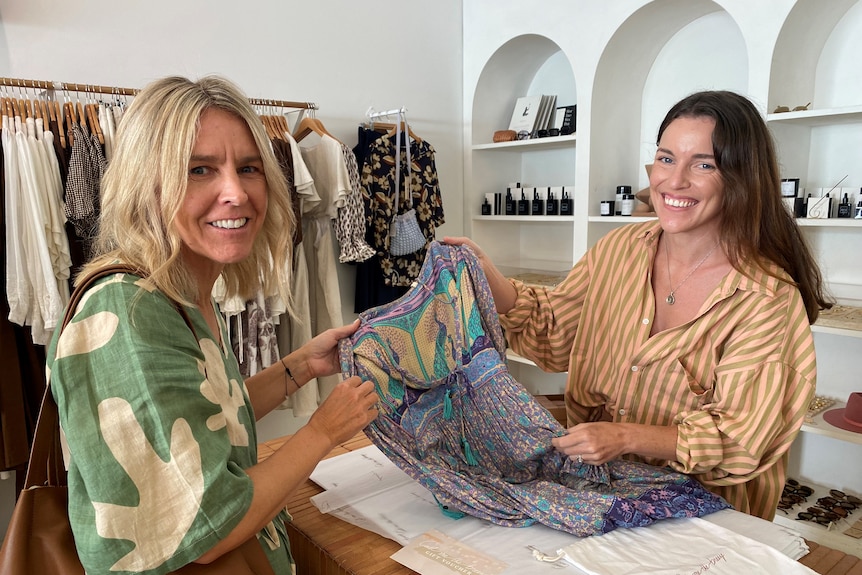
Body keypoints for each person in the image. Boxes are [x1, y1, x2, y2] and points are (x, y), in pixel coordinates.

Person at [46, 76, 379, 574]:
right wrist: (323, 430)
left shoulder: (184, 291)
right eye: (200, 169)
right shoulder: (129, 313)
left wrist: (300, 366)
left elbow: (207, 413)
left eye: (249, 168)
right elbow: (207, 527)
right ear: (146, 183)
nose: (236, 193)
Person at [446, 90, 831, 521]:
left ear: (742, 177)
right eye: (666, 158)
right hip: (602, 494)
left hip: (708, 519)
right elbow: (554, 334)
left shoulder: (765, 298)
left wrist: (625, 436)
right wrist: (489, 279)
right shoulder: (620, 250)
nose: (674, 181)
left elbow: (740, 440)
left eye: (703, 164)